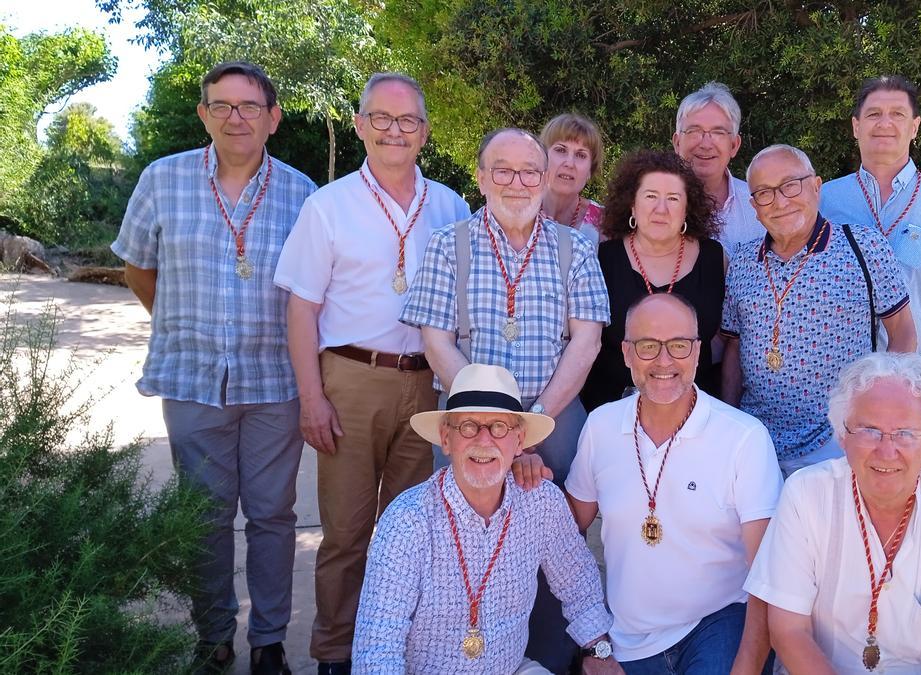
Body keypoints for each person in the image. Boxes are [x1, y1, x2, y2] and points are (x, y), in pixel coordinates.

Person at [112, 61, 316, 675]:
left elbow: (312, 291)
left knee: (274, 516)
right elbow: (138, 269)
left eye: (250, 106)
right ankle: (214, 634)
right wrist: (179, 324)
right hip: (193, 379)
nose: (236, 117)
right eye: (222, 105)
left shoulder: (301, 192)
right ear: (203, 113)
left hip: (274, 383)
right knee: (202, 516)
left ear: (273, 118)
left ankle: (271, 640)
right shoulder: (162, 179)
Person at [273, 73, 471, 674]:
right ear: (360, 124)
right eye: (381, 119)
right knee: (346, 531)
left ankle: (398, 648)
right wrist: (312, 398)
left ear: (425, 132)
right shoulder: (327, 205)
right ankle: (336, 651)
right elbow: (301, 308)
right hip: (351, 382)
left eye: (408, 120)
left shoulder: (450, 205)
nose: (394, 131)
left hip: (428, 385)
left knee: (414, 532)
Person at [401, 127, 610, 672]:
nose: (517, 182)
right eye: (503, 170)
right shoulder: (449, 245)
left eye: (528, 172)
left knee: (555, 544)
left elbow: (586, 341)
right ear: (480, 176)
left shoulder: (577, 250)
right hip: (468, 423)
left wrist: (531, 423)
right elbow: (435, 339)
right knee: (461, 546)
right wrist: (488, 421)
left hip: (553, 415)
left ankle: (547, 656)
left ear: (543, 180)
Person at [746, 352, 921, 674]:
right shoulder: (805, 495)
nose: (886, 450)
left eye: (905, 433)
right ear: (841, 434)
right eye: (869, 430)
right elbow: (788, 630)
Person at [565, 293, 783, 674]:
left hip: (718, 622)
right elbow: (564, 538)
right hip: (628, 639)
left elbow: (770, 575)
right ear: (627, 352)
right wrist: (594, 646)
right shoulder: (600, 427)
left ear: (698, 352)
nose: (664, 361)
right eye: (648, 346)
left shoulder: (744, 438)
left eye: (679, 346)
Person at [353, 364, 618, 674]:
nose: (483, 440)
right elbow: (378, 647)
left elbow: (578, 582)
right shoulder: (407, 522)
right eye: (468, 426)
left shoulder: (540, 501)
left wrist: (598, 651)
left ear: (519, 441)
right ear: (445, 438)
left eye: (499, 427)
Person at [721, 144, 916, 475]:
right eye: (765, 193)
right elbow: (734, 347)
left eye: (790, 185)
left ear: (816, 186)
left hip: (837, 441)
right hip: (756, 440)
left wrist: (876, 416)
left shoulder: (863, 247)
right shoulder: (742, 261)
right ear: (754, 207)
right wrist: (726, 423)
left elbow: (904, 333)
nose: (780, 201)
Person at [820, 75, 921, 352]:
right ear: (856, 126)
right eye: (874, 114)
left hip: (907, 377)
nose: (885, 123)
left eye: (898, 114)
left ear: (915, 127)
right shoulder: (823, 200)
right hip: (832, 377)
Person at [579, 150, 724, 411]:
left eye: (673, 198)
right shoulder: (602, 259)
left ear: (687, 208)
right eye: (650, 197)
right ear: (632, 205)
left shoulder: (715, 258)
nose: (661, 209)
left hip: (696, 413)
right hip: (611, 411)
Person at [672, 82, 764, 254]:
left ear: (734, 145)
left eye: (718, 133)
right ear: (677, 143)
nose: (706, 144)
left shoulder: (759, 206)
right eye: (694, 131)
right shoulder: (652, 206)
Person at [540, 113, 606, 246]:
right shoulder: (520, 211)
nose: (569, 163)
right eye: (561, 150)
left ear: (589, 171)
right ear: (541, 158)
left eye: (581, 155)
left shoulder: (604, 224)